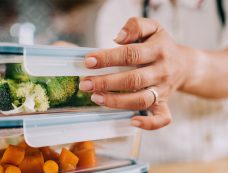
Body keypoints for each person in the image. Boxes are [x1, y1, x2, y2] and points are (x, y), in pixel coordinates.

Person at [79, 0, 228, 163]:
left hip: (219, 161)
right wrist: (77, 73)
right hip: (151, 164)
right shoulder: (118, 8)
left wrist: (183, 66)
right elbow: (116, 88)